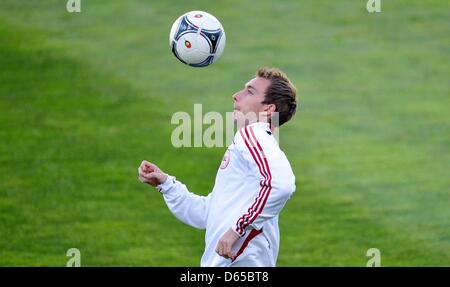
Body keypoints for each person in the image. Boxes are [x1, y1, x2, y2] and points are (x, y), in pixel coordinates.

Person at [138, 67, 298, 266]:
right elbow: (208, 213)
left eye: (249, 91)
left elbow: (281, 185)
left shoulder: (252, 134)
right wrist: (167, 184)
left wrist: (237, 229)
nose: (236, 96)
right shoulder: (251, 147)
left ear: (268, 109)